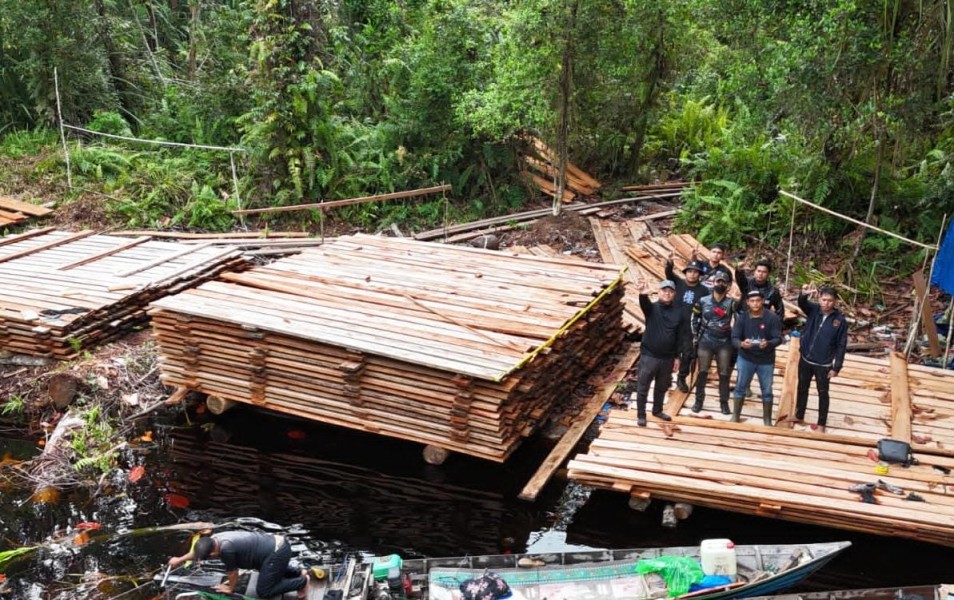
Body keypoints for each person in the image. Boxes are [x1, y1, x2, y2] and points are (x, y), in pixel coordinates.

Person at [168, 531, 311, 599]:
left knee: (264, 591)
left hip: (276, 551)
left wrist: (230, 588)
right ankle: (298, 572)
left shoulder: (226, 550)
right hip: (273, 547)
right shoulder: (214, 540)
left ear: (212, 554)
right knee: (265, 568)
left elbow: (233, 573)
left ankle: (302, 582)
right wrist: (179, 559)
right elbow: (198, 552)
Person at [634, 279, 692, 427]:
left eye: (670, 291)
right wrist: (642, 293)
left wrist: (677, 357)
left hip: (668, 358)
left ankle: (657, 410)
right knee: (643, 387)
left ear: (674, 294)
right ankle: (641, 415)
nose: (667, 293)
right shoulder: (651, 309)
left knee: (662, 387)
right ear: (659, 292)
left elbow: (680, 336)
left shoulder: (678, 313)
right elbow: (644, 303)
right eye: (664, 290)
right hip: (649, 355)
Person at [793, 284, 848, 433]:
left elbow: (841, 345)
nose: (826, 303)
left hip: (823, 364)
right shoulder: (813, 310)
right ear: (819, 299)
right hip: (806, 358)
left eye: (830, 301)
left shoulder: (840, 321)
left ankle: (821, 423)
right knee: (802, 388)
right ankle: (798, 415)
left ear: (835, 301)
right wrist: (803, 294)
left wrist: (837, 367)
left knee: (823, 393)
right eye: (824, 300)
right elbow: (802, 303)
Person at [731, 289, 782, 425]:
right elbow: (734, 337)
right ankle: (735, 416)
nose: (755, 304)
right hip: (746, 358)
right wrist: (741, 344)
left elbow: (778, 338)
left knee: (767, 390)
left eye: (758, 301)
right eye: (752, 301)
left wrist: (768, 343)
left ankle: (767, 420)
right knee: (740, 387)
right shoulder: (742, 318)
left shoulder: (772, 318)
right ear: (747, 302)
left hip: (766, 360)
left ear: (763, 301)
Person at [690, 271, 736, 414]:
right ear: (713, 283)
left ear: (728, 285)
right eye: (718, 281)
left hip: (724, 342)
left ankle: (724, 402)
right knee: (702, 372)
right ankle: (698, 401)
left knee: (724, 373)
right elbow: (694, 317)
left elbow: (740, 318)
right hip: (706, 341)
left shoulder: (732, 303)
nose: (720, 284)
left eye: (723, 282)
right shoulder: (703, 301)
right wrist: (695, 335)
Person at [665, 258, 711, 392]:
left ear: (700, 274)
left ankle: (681, 377)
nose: (692, 274)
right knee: (668, 350)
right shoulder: (678, 283)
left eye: (696, 272)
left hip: (691, 327)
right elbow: (669, 273)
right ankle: (666, 375)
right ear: (685, 273)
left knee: (687, 354)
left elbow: (707, 307)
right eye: (690, 271)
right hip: (674, 324)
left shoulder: (704, 290)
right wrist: (669, 264)